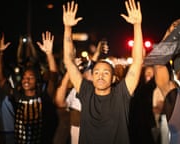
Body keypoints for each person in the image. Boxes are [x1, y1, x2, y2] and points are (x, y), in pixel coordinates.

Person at [62, 0, 145, 143]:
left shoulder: (121, 94)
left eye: (106, 72)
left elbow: (137, 61)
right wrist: (68, 28)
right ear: (92, 77)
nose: (100, 75)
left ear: (114, 79)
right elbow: (69, 61)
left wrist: (137, 26)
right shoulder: (86, 91)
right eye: (96, 72)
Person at [0, 31, 59, 144]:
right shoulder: (17, 96)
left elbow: (53, 78)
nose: (26, 80)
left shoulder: (43, 96)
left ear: (37, 81)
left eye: (30, 77)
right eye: (24, 77)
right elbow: (1, 79)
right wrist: (0, 53)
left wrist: (49, 54)